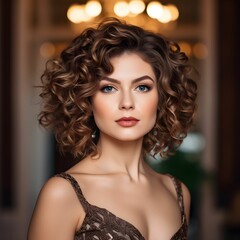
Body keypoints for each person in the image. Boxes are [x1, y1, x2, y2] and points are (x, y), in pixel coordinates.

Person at [28, 17, 197, 240]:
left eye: (142, 87)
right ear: (87, 99)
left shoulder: (178, 192)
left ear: (162, 97)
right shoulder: (62, 193)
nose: (127, 102)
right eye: (109, 88)